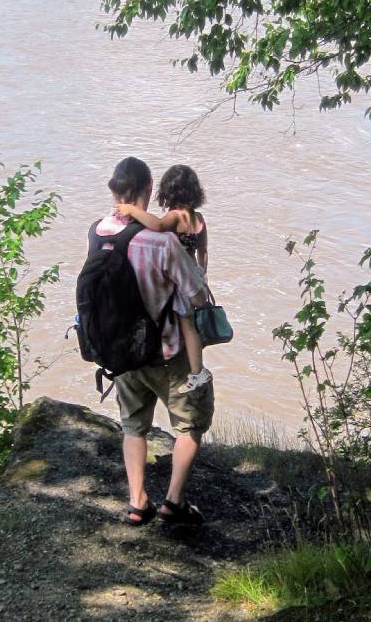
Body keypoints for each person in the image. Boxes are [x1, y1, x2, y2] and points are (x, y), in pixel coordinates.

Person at [95, 156, 214, 526]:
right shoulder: (162, 243)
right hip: (168, 353)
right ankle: (173, 502)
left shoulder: (97, 232)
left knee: (133, 426)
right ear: (148, 190)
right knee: (189, 425)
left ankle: (136, 502)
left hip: (123, 353)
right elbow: (197, 297)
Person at [116, 165, 212, 394]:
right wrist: (202, 273)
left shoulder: (174, 215)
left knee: (186, 324)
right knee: (190, 323)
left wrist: (132, 210)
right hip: (193, 275)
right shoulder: (198, 219)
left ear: (168, 191)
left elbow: (157, 226)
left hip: (180, 279)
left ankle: (198, 372)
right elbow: (204, 250)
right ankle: (198, 370)